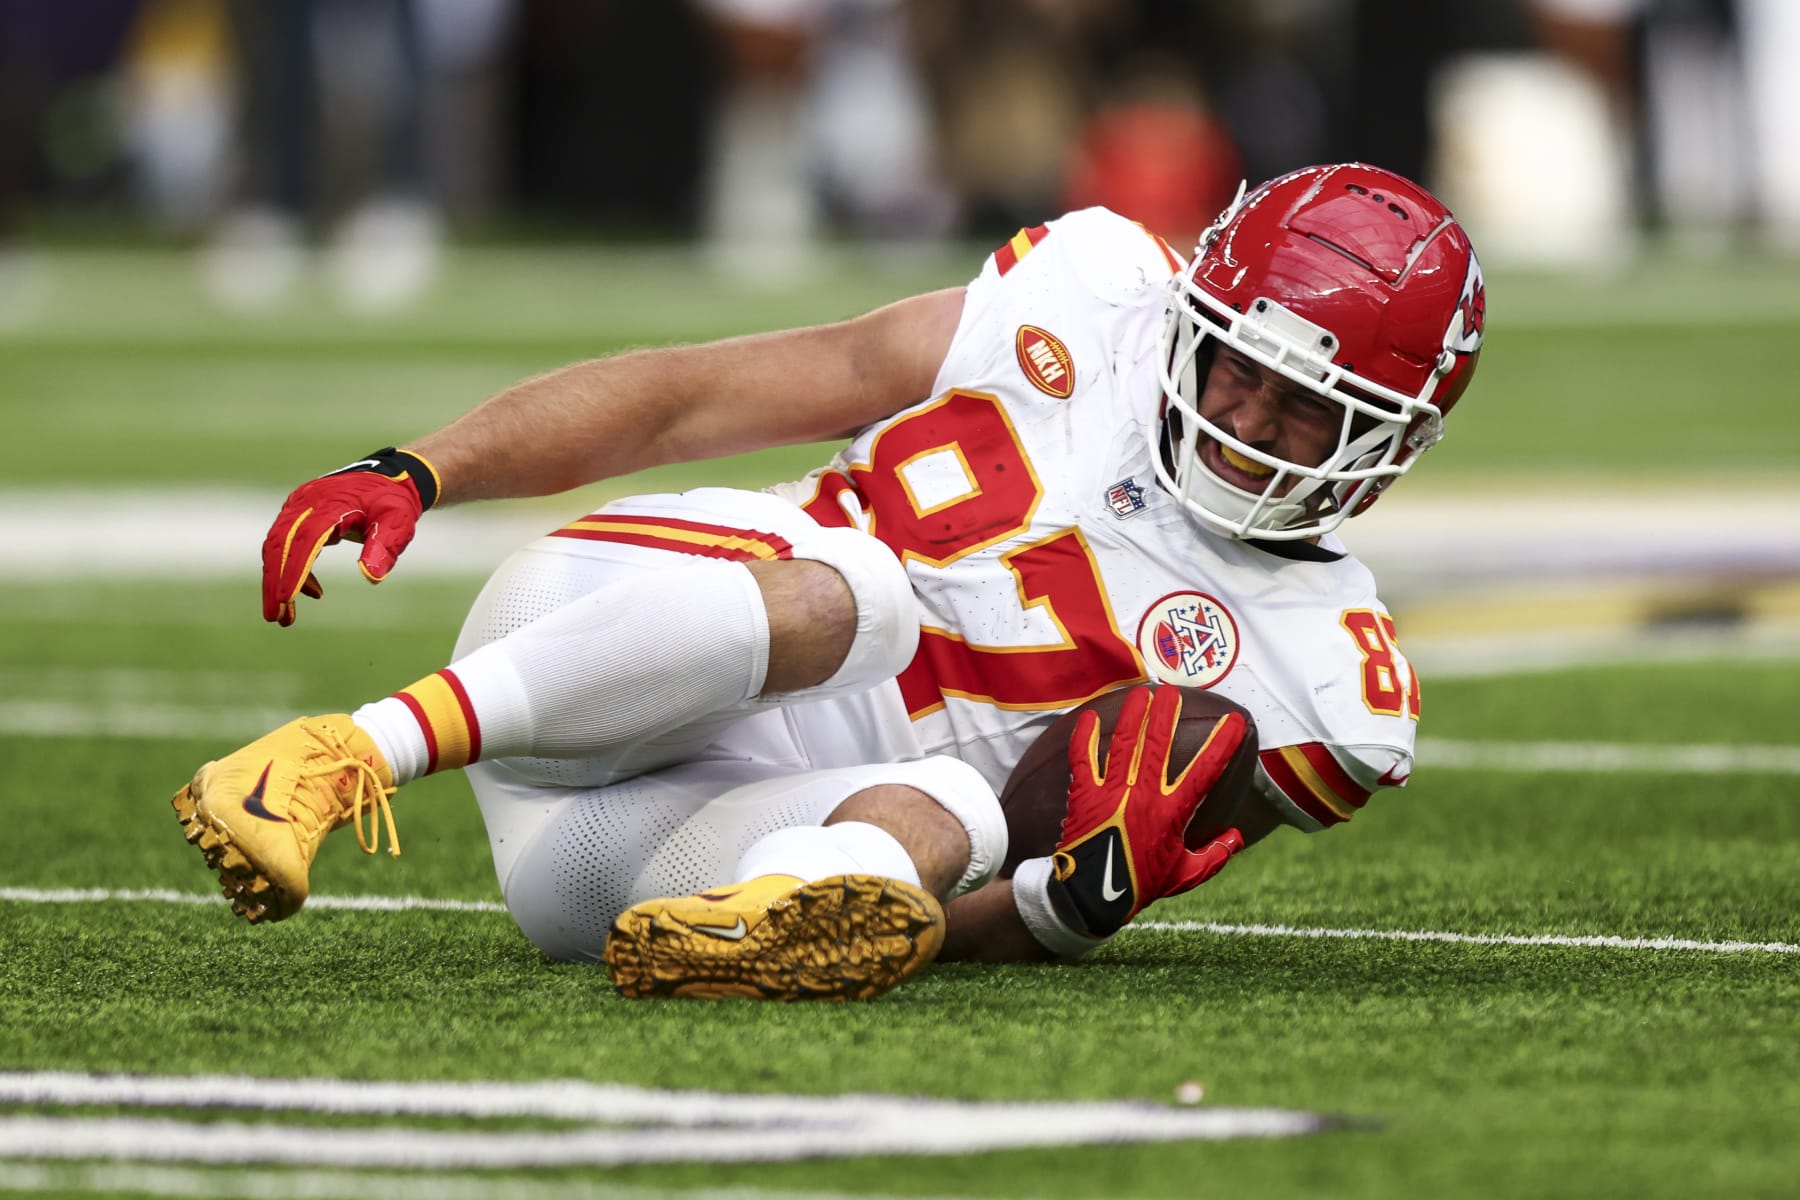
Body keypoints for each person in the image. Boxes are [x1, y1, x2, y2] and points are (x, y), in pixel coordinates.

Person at [172, 162, 1485, 1000]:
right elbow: (695, 399)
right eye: (1234, 366)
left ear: (1395, 440)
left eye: (1305, 407)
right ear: (1194, 310)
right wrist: (421, 467)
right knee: (862, 589)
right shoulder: (1086, 292)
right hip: (581, 643)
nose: (1246, 418)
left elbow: (991, 904)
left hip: (623, 861)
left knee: (957, 811)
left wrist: (1064, 909)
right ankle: (341, 758)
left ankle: (749, 932)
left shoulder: (1328, 680)